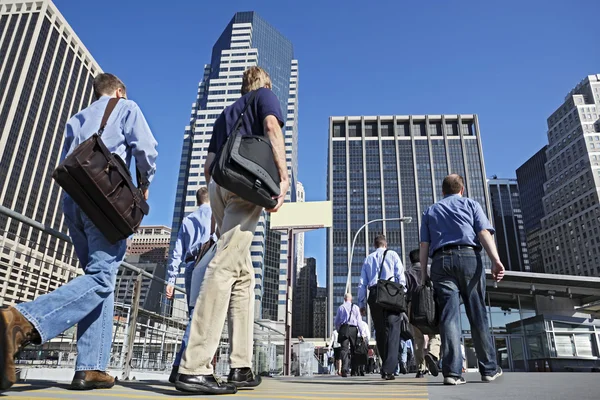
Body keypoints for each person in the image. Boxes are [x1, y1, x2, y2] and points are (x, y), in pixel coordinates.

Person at [0, 73, 158, 391]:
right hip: (105, 201)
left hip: (73, 201)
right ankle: (20, 320)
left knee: (101, 281)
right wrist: (143, 186)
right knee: (101, 279)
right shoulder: (127, 107)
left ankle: (91, 367)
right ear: (118, 91)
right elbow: (147, 150)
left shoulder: (76, 118)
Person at [175, 66, 288, 395]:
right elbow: (271, 128)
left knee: (243, 275)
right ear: (264, 83)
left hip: (218, 187)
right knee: (225, 265)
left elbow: (208, 165)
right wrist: (282, 177)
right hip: (245, 185)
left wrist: (219, 192)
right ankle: (194, 366)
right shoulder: (265, 97)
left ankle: (241, 365)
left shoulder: (226, 113)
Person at [420, 174, 505, 386]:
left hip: (440, 261)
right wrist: (496, 260)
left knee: (449, 317)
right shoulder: (470, 204)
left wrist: (423, 273)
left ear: (442, 191)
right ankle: (488, 369)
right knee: (477, 313)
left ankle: (452, 373)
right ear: (462, 189)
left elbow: (423, 245)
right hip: (469, 258)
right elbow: (483, 232)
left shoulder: (430, 211)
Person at [165, 187, 214, 383]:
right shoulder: (216, 215)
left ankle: (184, 367)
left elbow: (177, 252)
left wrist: (170, 280)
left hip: (190, 266)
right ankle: (181, 367)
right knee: (199, 318)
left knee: (193, 315)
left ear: (197, 200)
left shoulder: (187, 220)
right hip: (207, 264)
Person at [357, 234, 406, 381]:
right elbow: (401, 277)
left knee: (380, 331)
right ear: (386, 244)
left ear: (375, 245)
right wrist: (403, 295)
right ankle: (388, 369)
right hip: (391, 293)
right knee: (393, 330)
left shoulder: (368, 258)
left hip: (375, 294)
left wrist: (361, 304)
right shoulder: (392, 254)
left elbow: (362, 283)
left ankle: (386, 365)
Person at [405, 249, 441, 379]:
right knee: (435, 335)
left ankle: (421, 368)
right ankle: (432, 354)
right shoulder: (430, 270)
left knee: (418, 339)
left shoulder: (407, 274)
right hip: (430, 306)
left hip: (413, 308)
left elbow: (405, 292)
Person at [334, 293, 365, 378]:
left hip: (344, 328)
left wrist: (338, 330)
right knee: (354, 349)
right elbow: (359, 321)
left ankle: (344, 369)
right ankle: (354, 371)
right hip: (353, 329)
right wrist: (362, 333)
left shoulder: (341, 307)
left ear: (344, 299)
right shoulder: (355, 307)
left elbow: (336, 321)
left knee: (344, 349)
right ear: (351, 299)